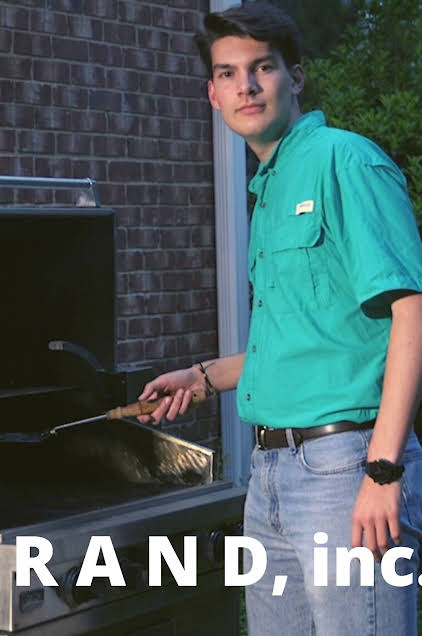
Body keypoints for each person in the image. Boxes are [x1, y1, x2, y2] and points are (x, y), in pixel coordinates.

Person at [137, 3, 422, 634]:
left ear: (295, 76)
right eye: (228, 73)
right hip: (269, 474)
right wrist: (200, 377)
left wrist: (383, 471)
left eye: (262, 67)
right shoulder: (267, 190)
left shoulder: (344, 161)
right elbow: (303, 343)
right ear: (213, 94)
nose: (247, 85)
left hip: (345, 466)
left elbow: (413, 312)